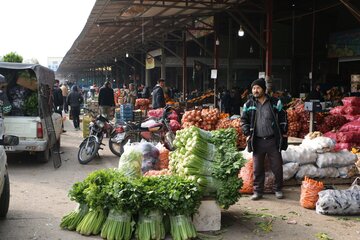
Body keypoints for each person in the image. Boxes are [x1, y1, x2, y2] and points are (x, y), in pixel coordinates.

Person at [240, 78, 288, 201]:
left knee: (277, 166)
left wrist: (283, 132)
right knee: (257, 168)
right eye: (253, 88)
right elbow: (243, 120)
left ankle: (278, 189)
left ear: (263, 89)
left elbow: (283, 116)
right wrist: (247, 133)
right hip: (257, 140)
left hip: (272, 140)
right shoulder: (248, 104)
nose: (255, 90)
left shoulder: (275, 102)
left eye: (258, 88)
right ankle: (257, 191)